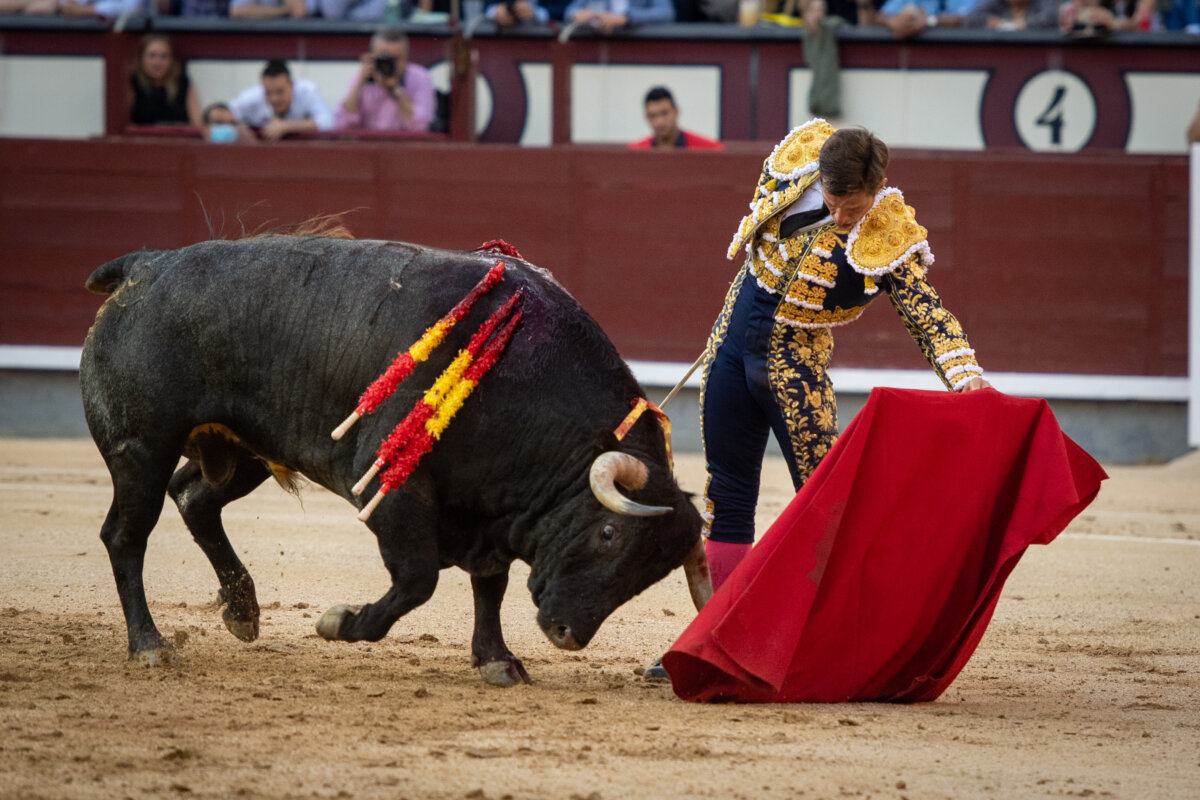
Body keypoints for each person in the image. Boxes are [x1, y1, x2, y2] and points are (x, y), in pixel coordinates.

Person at [644, 119, 989, 678]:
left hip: (795, 366)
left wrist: (964, 372)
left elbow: (927, 313)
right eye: (835, 201)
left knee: (824, 509)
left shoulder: (887, 231)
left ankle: (820, 644)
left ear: (878, 188)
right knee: (725, 498)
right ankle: (721, 645)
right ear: (820, 179)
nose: (843, 217)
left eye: (855, 206)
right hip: (731, 348)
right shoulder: (797, 159)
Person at [335, 28, 435, 133]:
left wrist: (396, 90)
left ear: (406, 57)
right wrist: (360, 81)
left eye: (396, 59)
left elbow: (421, 126)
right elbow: (343, 124)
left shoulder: (419, 77)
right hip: (369, 145)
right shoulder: (364, 76)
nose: (390, 64)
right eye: (384, 57)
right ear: (373, 56)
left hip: (405, 146)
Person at [229, 60, 335, 141]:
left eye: (279, 92)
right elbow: (218, 113)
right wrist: (234, 127)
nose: (274, 99)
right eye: (268, 92)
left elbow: (328, 122)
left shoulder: (307, 91)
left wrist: (287, 126)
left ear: (292, 86)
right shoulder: (252, 97)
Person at [128, 34, 202, 128]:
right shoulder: (132, 83)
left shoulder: (183, 83)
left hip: (177, 140)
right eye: (152, 55)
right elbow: (125, 125)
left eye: (164, 56)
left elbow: (197, 124)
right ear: (141, 58)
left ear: (172, 60)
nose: (158, 62)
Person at [629, 86, 723, 150]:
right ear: (646, 117)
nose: (660, 122)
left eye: (664, 113)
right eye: (653, 116)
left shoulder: (707, 149)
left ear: (676, 112)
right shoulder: (635, 152)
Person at [858, 0, 979, 37]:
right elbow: (882, 16)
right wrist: (891, 21)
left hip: (954, 59)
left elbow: (968, 18)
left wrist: (928, 21)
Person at [562, 0, 675, 32]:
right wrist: (585, 16)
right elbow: (569, 12)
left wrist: (626, 18)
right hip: (596, 51)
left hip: (640, 49)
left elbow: (666, 12)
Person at [962, 0, 1057, 28]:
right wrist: (999, 23)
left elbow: (1052, 17)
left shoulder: (1042, 2)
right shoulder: (996, 3)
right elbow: (971, 18)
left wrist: (1025, 24)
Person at [484, 0, 552, 24]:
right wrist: (496, 11)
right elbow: (487, 8)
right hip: (505, 34)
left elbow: (560, 9)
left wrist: (536, 13)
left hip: (544, 39)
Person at [229, 0, 308, 16]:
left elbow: (299, 12)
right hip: (256, 37)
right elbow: (236, 11)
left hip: (287, 39)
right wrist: (282, 10)